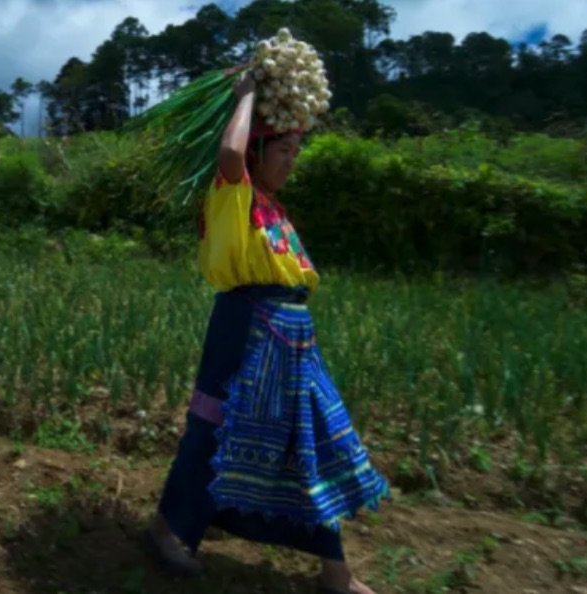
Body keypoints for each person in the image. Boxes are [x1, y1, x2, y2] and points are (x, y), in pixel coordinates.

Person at [144, 73, 389, 594]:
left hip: (293, 339)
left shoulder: (275, 209)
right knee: (214, 431)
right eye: (283, 148)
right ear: (257, 148)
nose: (292, 158)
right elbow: (230, 157)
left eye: (298, 149)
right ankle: (168, 530)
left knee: (312, 440)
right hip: (245, 330)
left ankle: (336, 572)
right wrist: (246, 95)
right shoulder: (234, 193)